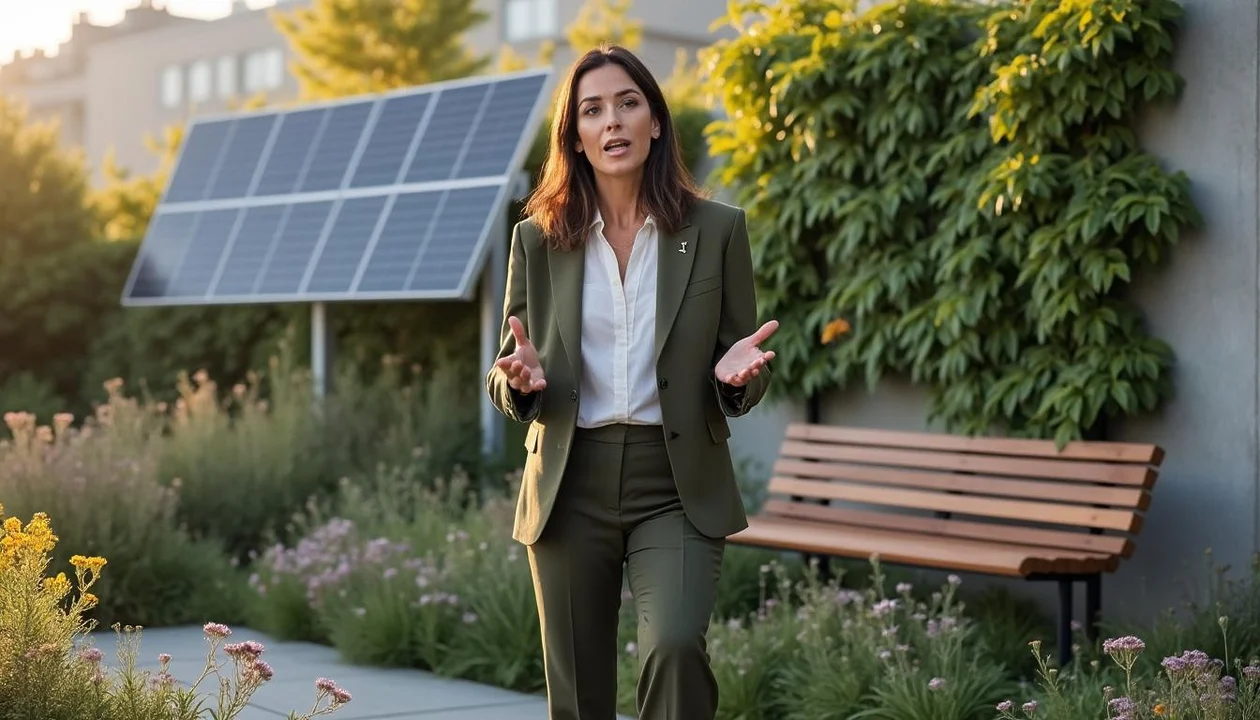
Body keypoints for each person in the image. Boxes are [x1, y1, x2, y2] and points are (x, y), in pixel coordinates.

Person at [484, 43, 777, 720]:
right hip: (568, 481)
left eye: (627, 103)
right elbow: (511, 370)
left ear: (654, 122)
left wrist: (737, 379)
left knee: (674, 646)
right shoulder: (537, 239)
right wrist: (521, 384)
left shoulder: (718, 230)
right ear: (577, 138)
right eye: (592, 110)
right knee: (580, 691)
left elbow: (743, 364)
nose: (611, 121)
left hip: (674, 481)